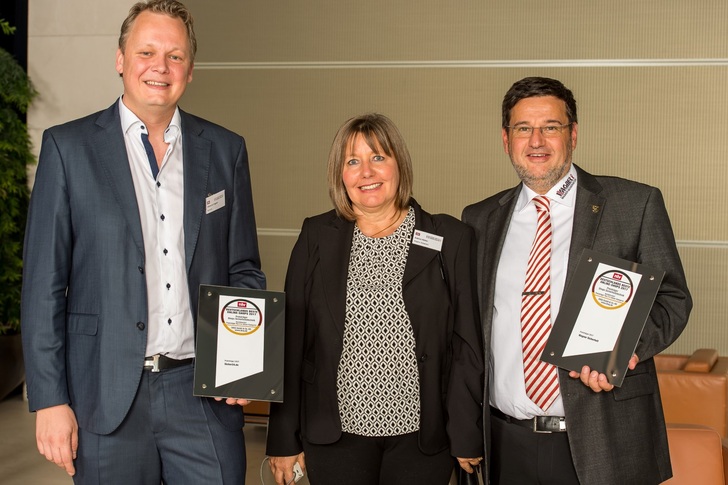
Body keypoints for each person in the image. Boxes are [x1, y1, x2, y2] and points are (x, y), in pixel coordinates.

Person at [20, 1, 265, 483]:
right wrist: (49, 400)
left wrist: (242, 366)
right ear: (120, 59)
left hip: (202, 395)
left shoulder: (225, 149)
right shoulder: (67, 149)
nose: (160, 66)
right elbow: (43, 286)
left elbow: (243, 268)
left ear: (190, 70)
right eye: (147, 51)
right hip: (105, 397)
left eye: (175, 56)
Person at [461, 76, 692, 485]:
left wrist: (623, 350)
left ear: (573, 134)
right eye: (523, 129)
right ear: (505, 138)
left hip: (604, 438)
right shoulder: (480, 219)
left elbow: (672, 299)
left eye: (550, 126)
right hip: (503, 441)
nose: (536, 141)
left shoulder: (633, 204)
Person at [265, 113, 484, 485]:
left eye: (378, 157)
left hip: (421, 438)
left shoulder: (450, 237)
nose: (366, 172)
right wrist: (283, 439)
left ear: (399, 163)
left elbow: (465, 345)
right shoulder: (316, 235)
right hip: (334, 435)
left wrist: (466, 433)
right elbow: (291, 339)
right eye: (353, 162)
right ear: (341, 175)